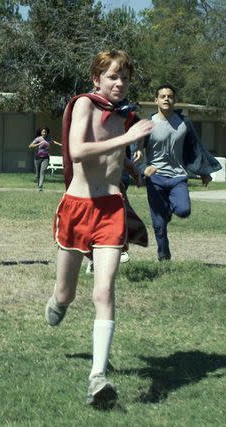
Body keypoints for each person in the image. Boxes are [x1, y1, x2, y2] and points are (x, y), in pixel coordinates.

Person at [44, 49, 153, 407]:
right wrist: (127, 138)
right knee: (65, 294)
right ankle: (59, 302)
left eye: (124, 77)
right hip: (77, 208)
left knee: (104, 291)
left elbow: (114, 159)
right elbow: (77, 152)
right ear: (97, 78)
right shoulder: (84, 105)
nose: (119, 83)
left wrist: (135, 166)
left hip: (110, 208)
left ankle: (97, 378)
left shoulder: (127, 116)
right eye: (112, 76)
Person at [138, 84, 221, 261]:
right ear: (156, 100)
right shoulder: (148, 124)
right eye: (162, 96)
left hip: (178, 176)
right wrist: (141, 169)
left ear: (175, 100)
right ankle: (163, 254)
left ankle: (167, 211)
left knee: (183, 210)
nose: (166, 98)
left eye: (170, 96)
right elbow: (135, 149)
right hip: (155, 177)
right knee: (159, 224)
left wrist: (204, 172)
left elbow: (196, 147)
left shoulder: (185, 123)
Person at [28, 127, 61, 191]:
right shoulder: (38, 139)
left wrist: (61, 144)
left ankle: (40, 187)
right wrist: (38, 144)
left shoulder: (49, 138)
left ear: (47, 133)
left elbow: (54, 142)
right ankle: (38, 185)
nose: (44, 133)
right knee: (37, 174)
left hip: (46, 158)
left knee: (43, 172)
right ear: (41, 132)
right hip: (37, 158)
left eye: (45, 132)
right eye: (43, 132)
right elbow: (30, 146)